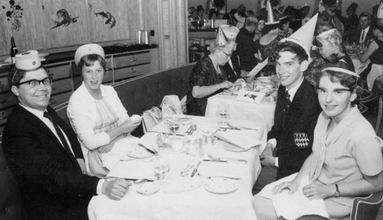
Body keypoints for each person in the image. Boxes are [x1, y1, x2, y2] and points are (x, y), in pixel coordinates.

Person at [2, 50, 131, 220]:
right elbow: (52, 177)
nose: (42, 88)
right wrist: (101, 186)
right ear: (16, 90)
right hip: (57, 208)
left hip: (74, 187)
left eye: (45, 81)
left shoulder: (43, 109)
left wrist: (78, 157)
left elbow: (68, 134)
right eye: (32, 83)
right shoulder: (18, 130)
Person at [253, 63, 383, 220]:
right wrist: (296, 181)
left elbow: (377, 184)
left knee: (266, 208)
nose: (328, 100)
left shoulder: (361, 135)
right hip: (316, 182)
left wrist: (330, 190)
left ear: (353, 95)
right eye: (323, 90)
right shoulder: (324, 117)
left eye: (338, 91)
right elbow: (316, 154)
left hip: (340, 198)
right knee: (260, 200)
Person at [254, 15, 322, 192]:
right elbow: (279, 127)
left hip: (300, 175)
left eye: (289, 64)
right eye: (278, 64)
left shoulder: (311, 101)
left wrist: (275, 161)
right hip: (283, 160)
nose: (280, 72)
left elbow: (308, 150)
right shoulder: (285, 89)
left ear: (304, 65)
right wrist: (270, 145)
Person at [67, 43, 141, 177]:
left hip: (121, 143)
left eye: (98, 71)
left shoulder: (109, 91)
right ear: (81, 73)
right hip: (98, 156)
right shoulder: (77, 101)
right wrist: (122, 129)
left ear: (104, 71)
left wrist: (112, 140)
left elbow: (127, 123)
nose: (94, 77)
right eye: (89, 71)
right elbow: (91, 143)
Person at [187, 40, 235, 116]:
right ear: (217, 51)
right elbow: (196, 93)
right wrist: (220, 86)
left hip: (215, 105)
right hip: (200, 109)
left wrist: (233, 86)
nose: (229, 59)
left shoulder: (219, 65)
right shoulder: (203, 65)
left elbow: (222, 85)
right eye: (227, 55)